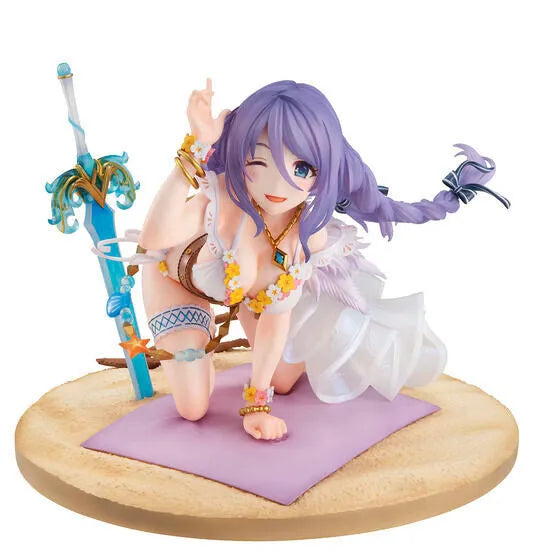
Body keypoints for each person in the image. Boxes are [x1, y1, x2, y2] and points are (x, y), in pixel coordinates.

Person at [129, 79, 508, 441]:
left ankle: (276, 343)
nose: (278, 186)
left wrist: (257, 405)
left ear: (323, 170)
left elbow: (276, 321)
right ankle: (196, 350)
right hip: (176, 280)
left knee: (281, 379)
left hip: (245, 296)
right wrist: (196, 148)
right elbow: (153, 238)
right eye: (259, 160)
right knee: (193, 407)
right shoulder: (222, 199)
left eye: (301, 169)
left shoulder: (306, 234)